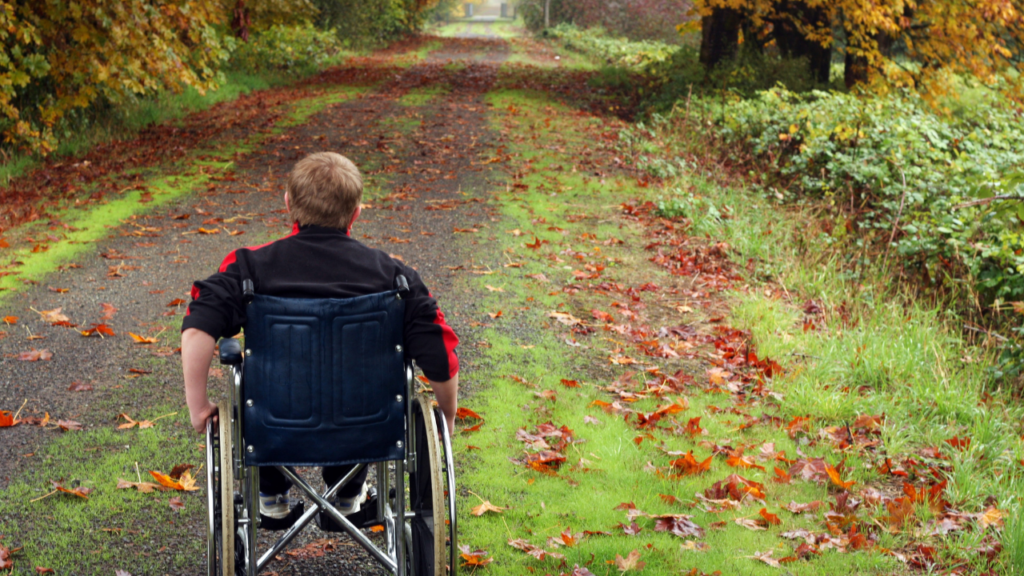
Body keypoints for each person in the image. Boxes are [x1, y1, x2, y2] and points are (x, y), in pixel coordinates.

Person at [180, 152, 460, 521]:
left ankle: (270, 492)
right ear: (357, 212)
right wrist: (447, 417)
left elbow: (199, 323)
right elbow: (439, 352)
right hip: (367, 428)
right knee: (364, 384)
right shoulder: (394, 276)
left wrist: (198, 408)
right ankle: (347, 492)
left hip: (275, 423)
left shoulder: (248, 267)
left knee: (259, 380)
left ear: (288, 204)